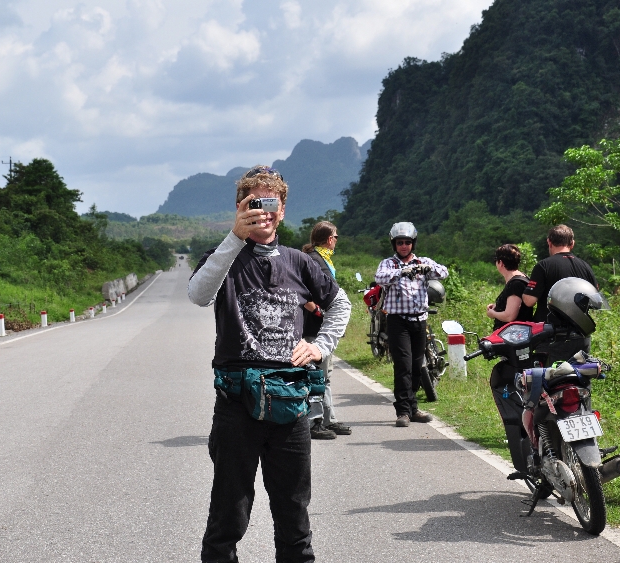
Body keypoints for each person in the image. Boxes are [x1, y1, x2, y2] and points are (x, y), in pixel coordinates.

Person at [188, 165, 351, 563]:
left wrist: (319, 345)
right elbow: (198, 294)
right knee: (229, 514)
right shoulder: (224, 257)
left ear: (282, 210)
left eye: (271, 204)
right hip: (236, 405)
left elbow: (339, 304)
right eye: (254, 203)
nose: (264, 212)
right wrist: (235, 236)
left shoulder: (300, 262)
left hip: (291, 404)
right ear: (241, 207)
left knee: (294, 517)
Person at [375, 221, 448, 427]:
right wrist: (401, 272)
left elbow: (443, 272)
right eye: (400, 243)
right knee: (403, 365)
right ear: (394, 244)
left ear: (413, 243)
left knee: (417, 366)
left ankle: (414, 407)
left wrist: (426, 268)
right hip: (398, 322)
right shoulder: (389, 264)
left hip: (419, 320)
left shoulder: (422, 261)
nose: (404, 246)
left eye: (407, 242)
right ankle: (403, 411)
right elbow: (379, 277)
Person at [485, 244, 535, 475]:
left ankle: (523, 436)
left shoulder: (516, 282)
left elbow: (511, 315)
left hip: (517, 348)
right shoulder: (520, 280)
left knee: (514, 391)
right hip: (517, 345)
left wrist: (493, 313)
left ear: (500, 263)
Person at [301, 221, 351, 440]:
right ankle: (314, 422)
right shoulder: (315, 261)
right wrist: (318, 311)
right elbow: (302, 293)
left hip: (321, 324)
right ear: (329, 239)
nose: (336, 241)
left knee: (325, 374)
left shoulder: (322, 260)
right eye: (336, 237)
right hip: (314, 326)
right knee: (317, 375)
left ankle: (329, 419)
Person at [522, 224, 598, 364]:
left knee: (550, 380)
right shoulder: (585, 267)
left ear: (549, 242)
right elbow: (594, 298)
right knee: (579, 377)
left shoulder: (544, 266)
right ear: (572, 243)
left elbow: (529, 301)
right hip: (580, 336)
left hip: (551, 337)